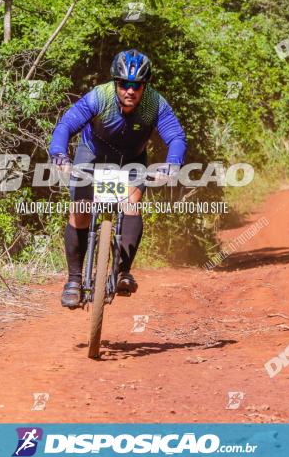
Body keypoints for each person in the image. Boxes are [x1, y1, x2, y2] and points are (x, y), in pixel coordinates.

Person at [48, 49, 187, 308]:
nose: (130, 91)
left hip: (131, 159)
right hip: (92, 153)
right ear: (115, 83)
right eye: (124, 84)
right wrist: (59, 154)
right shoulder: (100, 97)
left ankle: (123, 271)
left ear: (145, 86)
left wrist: (172, 164)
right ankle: (74, 280)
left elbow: (176, 137)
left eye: (137, 85)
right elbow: (66, 125)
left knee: (131, 205)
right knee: (80, 210)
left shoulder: (155, 104)